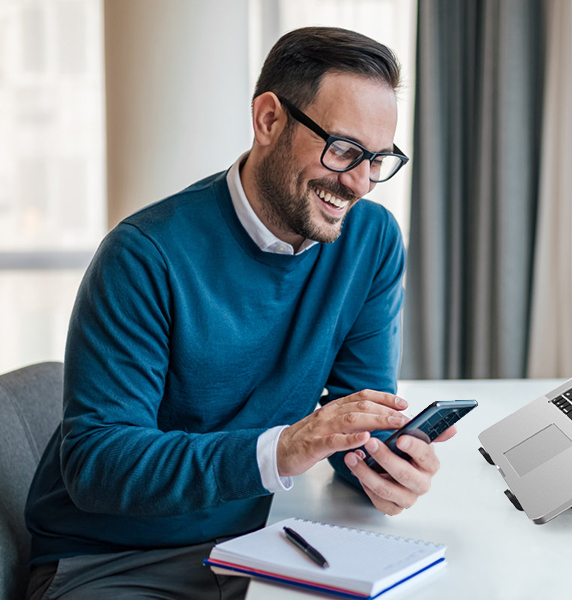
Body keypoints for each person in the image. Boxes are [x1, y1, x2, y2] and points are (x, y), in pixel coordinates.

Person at [24, 27, 453, 600]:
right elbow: (99, 465)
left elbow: (348, 427)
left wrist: (385, 465)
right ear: (269, 120)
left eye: (378, 160)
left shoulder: (369, 242)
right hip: (114, 560)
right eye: (344, 150)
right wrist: (284, 448)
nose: (358, 183)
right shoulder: (145, 254)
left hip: (263, 546)